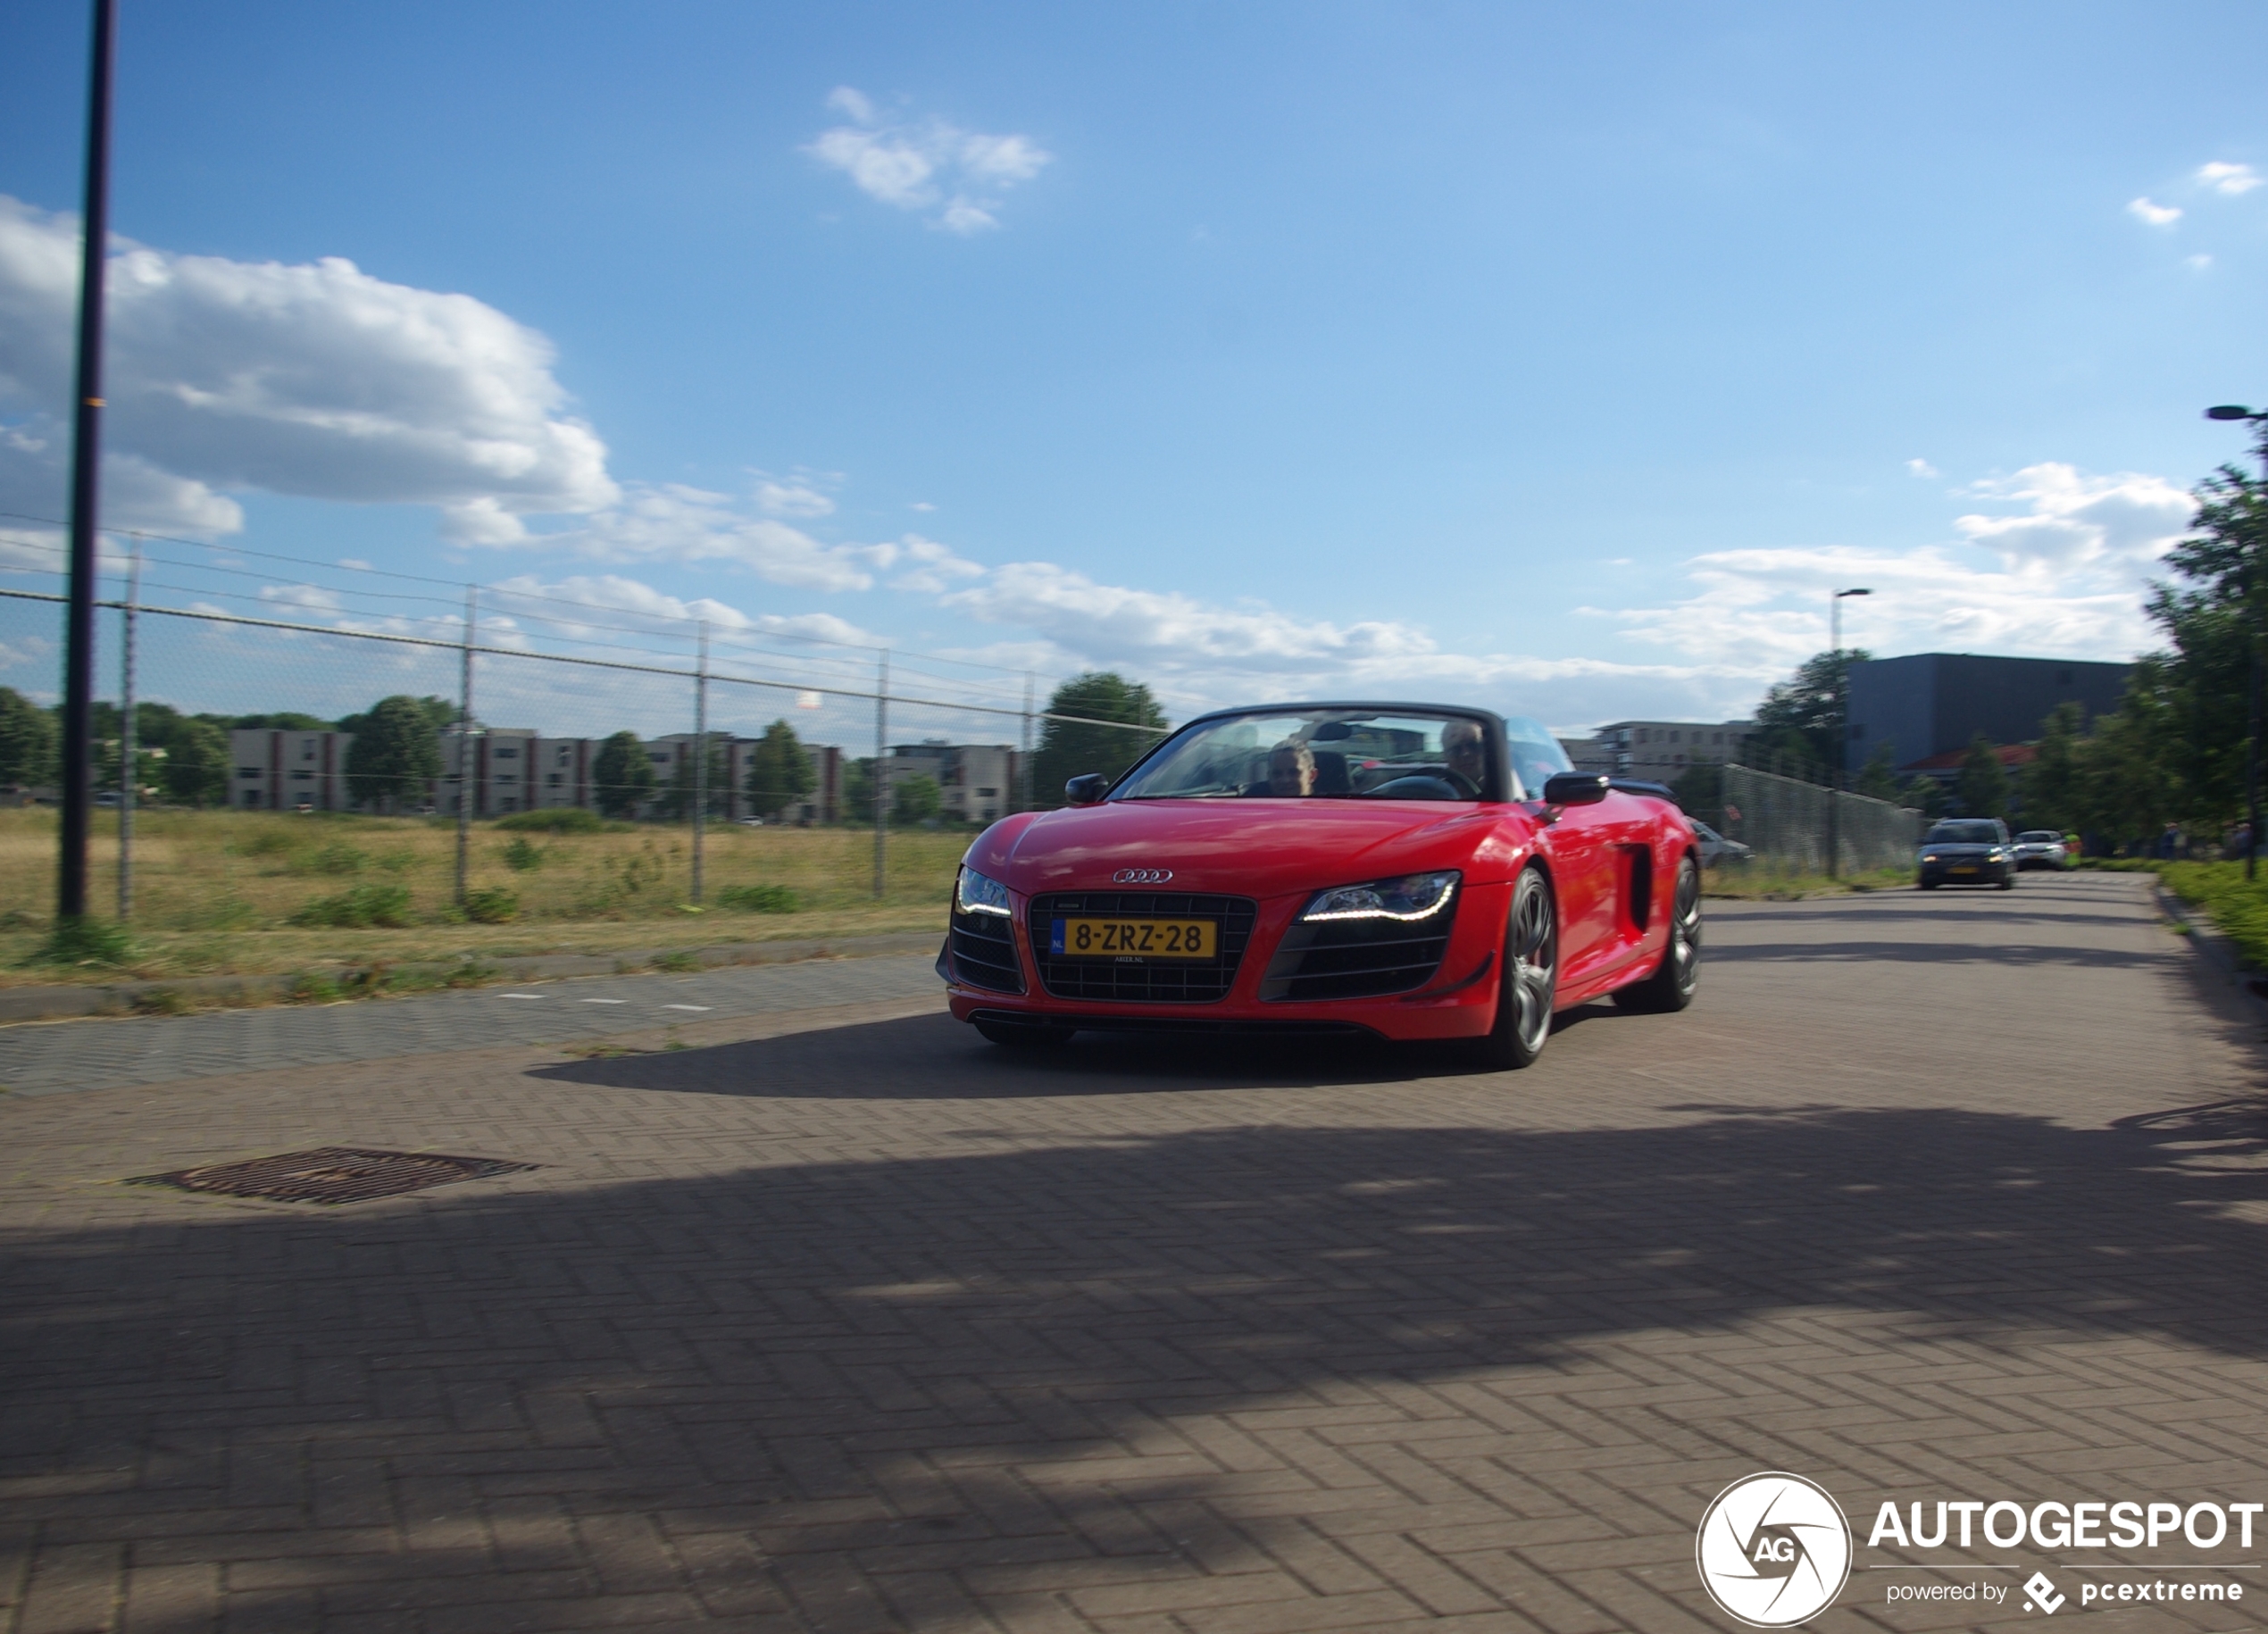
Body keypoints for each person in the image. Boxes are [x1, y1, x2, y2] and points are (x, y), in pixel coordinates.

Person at [1252, 739, 1316, 796]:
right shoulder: (1252, 800)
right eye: (1277, 774)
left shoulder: (1324, 805)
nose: (1285, 780)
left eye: (1293, 772)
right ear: (1269, 777)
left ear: (1312, 775)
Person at [1442, 720, 1487, 792]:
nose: (1465, 754)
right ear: (1445, 756)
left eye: (1473, 745)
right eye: (1456, 749)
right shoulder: (1436, 792)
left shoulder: (1503, 787)